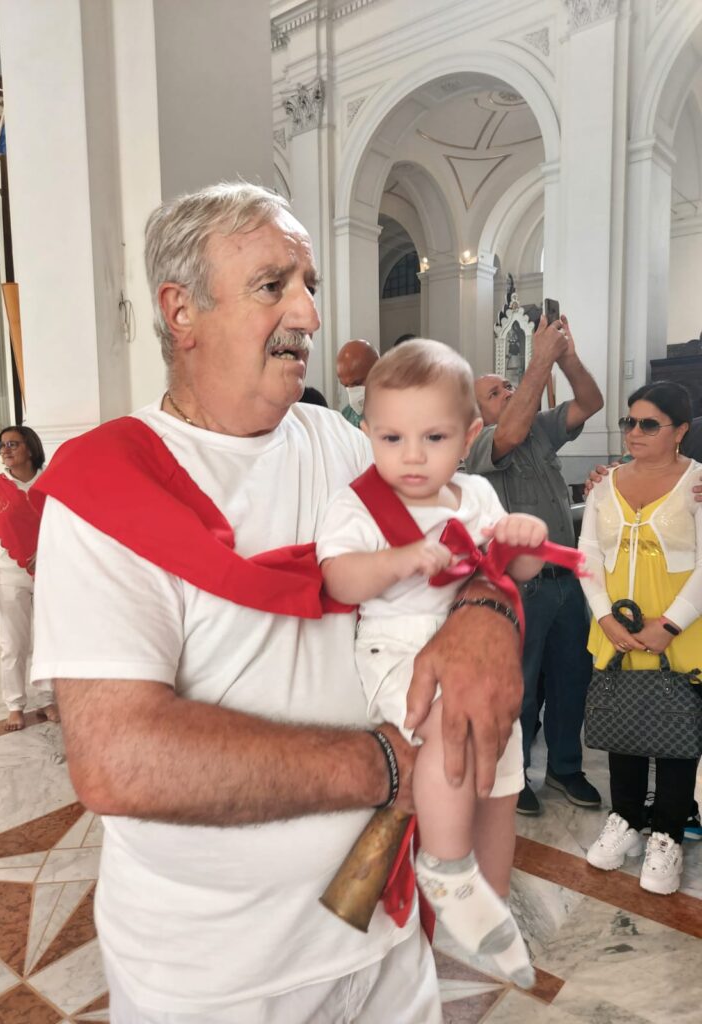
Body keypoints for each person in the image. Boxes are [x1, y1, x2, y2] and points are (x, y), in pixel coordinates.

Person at [29, 182, 523, 1024]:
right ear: (181, 310)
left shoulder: (341, 444)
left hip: (385, 932)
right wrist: (388, 766)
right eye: (273, 285)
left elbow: (472, 544)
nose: (309, 314)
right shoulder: (108, 487)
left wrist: (486, 613)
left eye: (311, 284)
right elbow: (121, 759)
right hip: (221, 975)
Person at [317, 339, 547, 988]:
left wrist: (521, 536)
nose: (411, 456)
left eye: (434, 436)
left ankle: (489, 899)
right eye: (391, 437)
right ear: (367, 433)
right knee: (451, 725)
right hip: (397, 649)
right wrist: (398, 559)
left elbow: (518, 572)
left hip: (474, 652)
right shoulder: (356, 505)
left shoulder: (475, 496)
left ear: (471, 434)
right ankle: (446, 867)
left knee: (501, 769)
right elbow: (339, 579)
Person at [466, 314, 604, 816]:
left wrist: (566, 357)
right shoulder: (480, 446)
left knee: (572, 679)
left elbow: (592, 402)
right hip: (517, 591)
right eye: (496, 392)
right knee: (518, 688)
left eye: (510, 387)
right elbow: (511, 428)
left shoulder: (540, 434)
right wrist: (538, 362)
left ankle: (566, 767)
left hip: (565, 584)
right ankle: (515, 774)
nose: (508, 393)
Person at [580, 382, 702, 894]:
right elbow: (586, 554)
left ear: (680, 431)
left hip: (681, 631)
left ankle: (669, 832)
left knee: (676, 731)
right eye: (630, 422)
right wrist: (605, 618)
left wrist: (668, 624)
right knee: (623, 724)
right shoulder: (605, 483)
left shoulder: (697, 484)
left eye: (649, 424)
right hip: (616, 629)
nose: (633, 432)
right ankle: (626, 818)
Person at [0, 426, 58, 731]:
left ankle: (48, 699)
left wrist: (49, 549)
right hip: (9, 575)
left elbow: (71, 526)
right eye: (1, 445)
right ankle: (14, 704)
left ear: (31, 449)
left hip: (53, 573)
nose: (5, 450)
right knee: (13, 643)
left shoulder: (53, 483)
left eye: (13, 444)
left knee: (47, 639)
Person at [337, 338, 378, 427]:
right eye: (346, 386)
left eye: (357, 383)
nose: (352, 392)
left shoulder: (398, 412)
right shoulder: (346, 416)